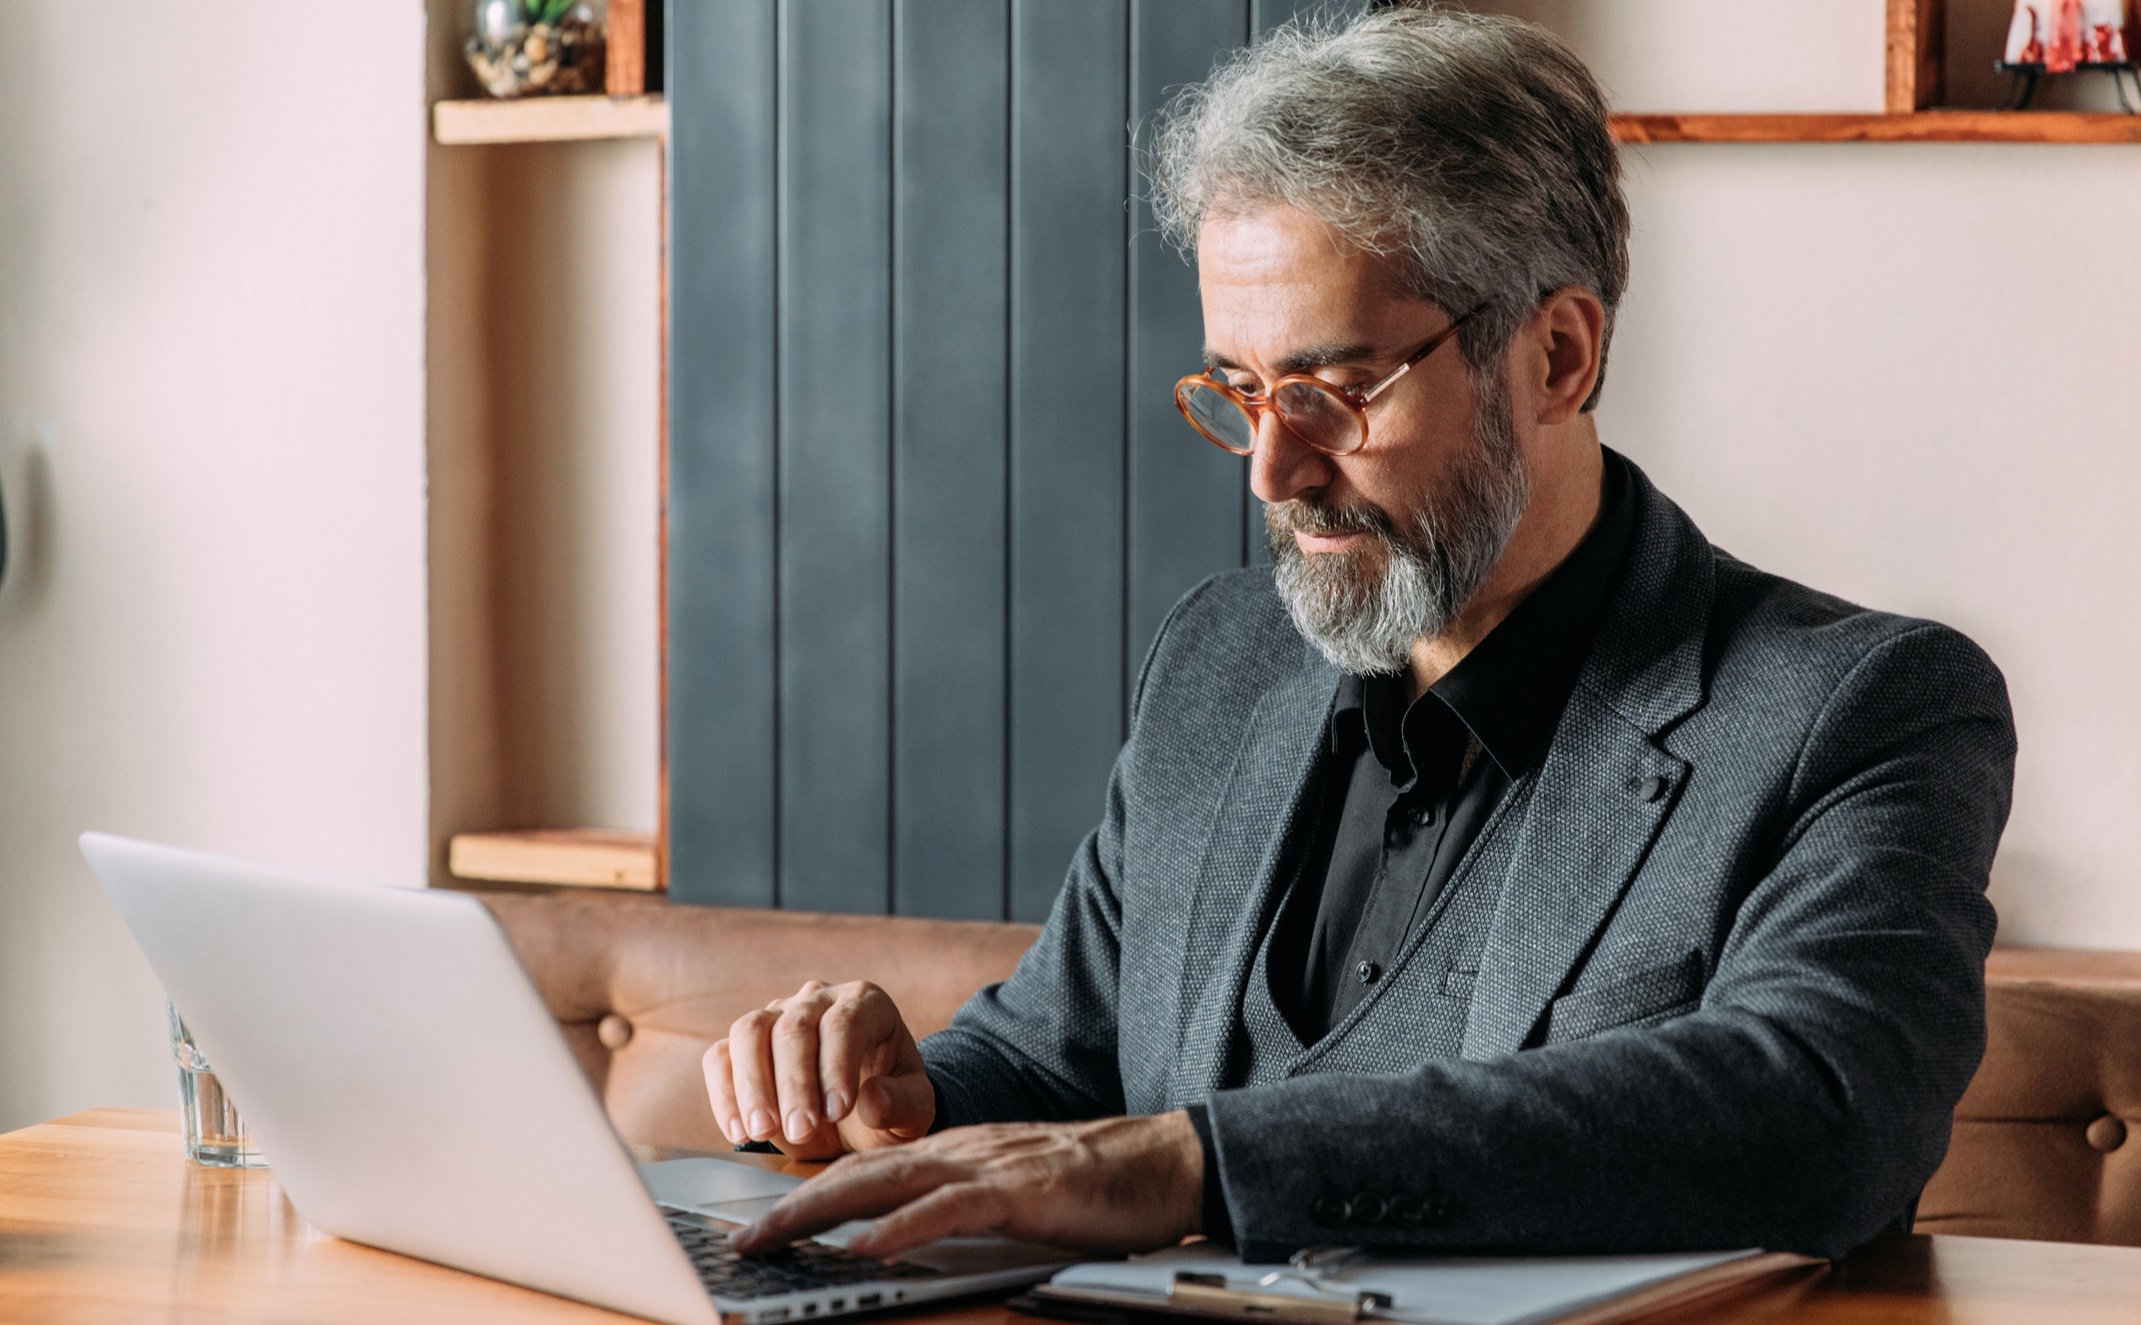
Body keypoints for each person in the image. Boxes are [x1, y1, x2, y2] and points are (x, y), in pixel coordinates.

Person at [708, 7, 2015, 1264]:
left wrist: (1201, 1168)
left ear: (1559, 356)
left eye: (1334, 391)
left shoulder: (1863, 708)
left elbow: (1820, 1114)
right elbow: (1061, 1060)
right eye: (1240, 390)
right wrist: (912, 1098)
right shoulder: (1219, 661)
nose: (1272, 471)